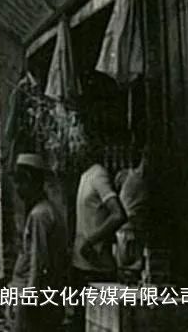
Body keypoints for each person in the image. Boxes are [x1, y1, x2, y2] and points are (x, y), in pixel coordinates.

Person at [8, 154, 68, 332]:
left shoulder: (39, 215)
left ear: (31, 182)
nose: (18, 190)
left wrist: (29, 298)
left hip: (31, 293)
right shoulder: (48, 210)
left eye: (21, 183)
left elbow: (38, 260)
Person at [70, 141, 126, 331]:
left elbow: (118, 214)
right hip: (81, 265)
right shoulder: (85, 176)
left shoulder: (98, 175)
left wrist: (90, 241)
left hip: (96, 268)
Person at [114, 148, 147, 281]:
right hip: (128, 230)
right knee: (128, 271)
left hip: (128, 230)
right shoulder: (135, 178)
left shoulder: (126, 175)